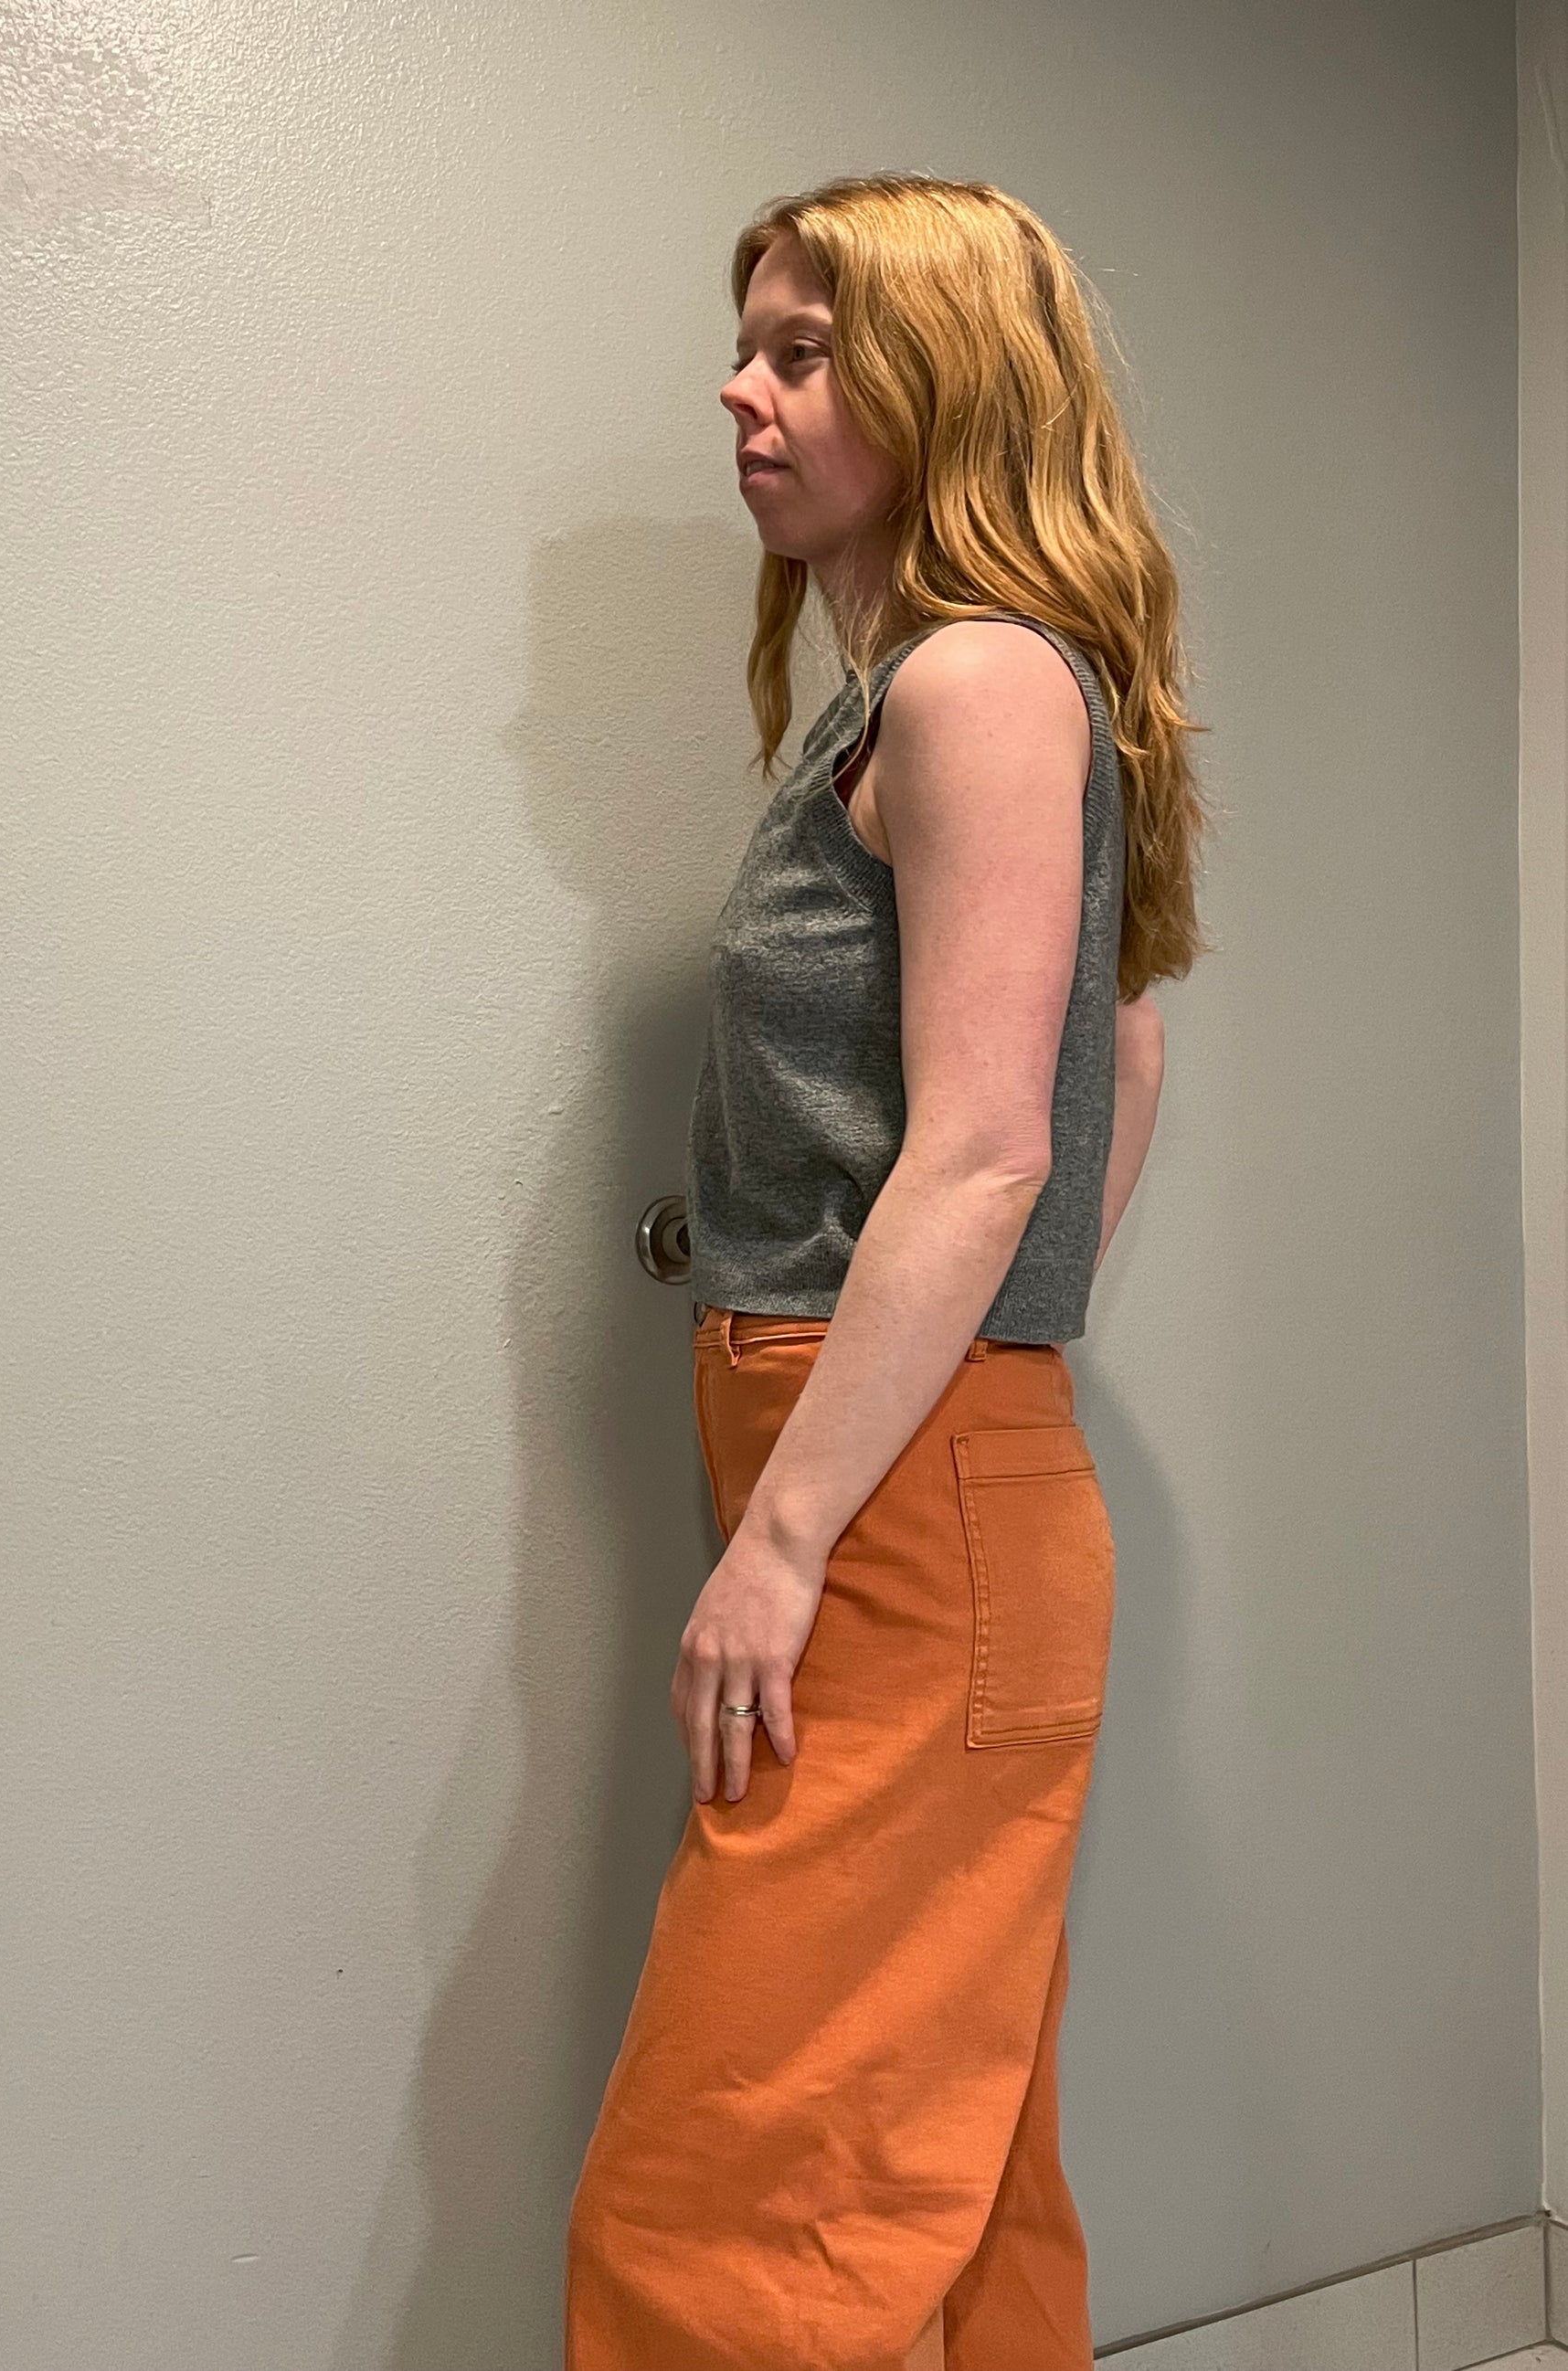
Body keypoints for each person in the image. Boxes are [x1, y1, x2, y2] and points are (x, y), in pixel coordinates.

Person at [566, 171, 1213, 2371]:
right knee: (948, 2139)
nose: (738, 392)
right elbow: (1119, 1039)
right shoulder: (925, 695)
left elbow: (995, 1138)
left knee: (741, 2185)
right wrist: (978, 1354)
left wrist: (792, 1527)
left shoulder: (974, 681)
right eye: (746, 345)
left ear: (941, 383)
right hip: (913, 1462)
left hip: (884, 1490)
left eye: (801, 353)